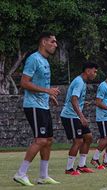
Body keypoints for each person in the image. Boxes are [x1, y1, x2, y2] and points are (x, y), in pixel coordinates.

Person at [14, 32, 60, 186]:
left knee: (48, 140)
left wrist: (49, 96)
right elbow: (24, 83)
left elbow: (40, 84)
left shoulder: (45, 61)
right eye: (53, 42)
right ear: (43, 42)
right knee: (40, 140)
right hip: (33, 106)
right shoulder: (33, 59)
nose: (55, 45)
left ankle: (43, 176)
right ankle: (21, 173)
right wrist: (47, 91)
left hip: (42, 105)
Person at [60, 62, 98, 175]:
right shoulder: (79, 82)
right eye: (94, 71)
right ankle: (69, 169)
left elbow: (76, 99)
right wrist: (81, 116)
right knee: (78, 140)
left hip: (75, 115)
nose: (95, 74)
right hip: (70, 116)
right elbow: (73, 99)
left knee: (88, 137)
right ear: (87, 71)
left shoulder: (82, 82)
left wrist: (82, 103)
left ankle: (81, 166)